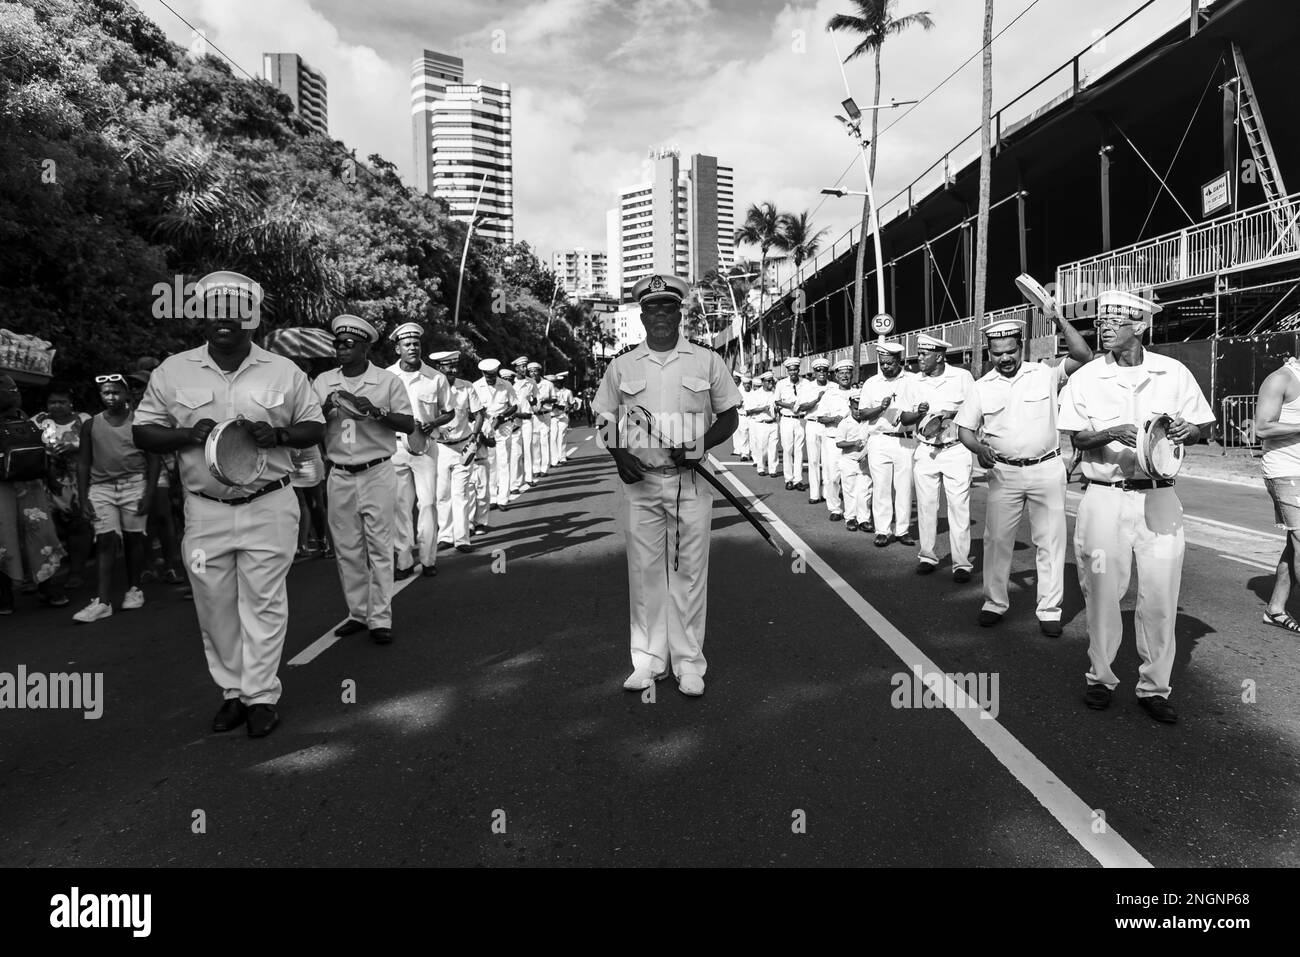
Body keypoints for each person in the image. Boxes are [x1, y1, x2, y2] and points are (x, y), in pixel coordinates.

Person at [133, 270, 326, 737]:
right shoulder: (172, 370)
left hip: (268, 505)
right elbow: (143, 430)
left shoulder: (284, 371)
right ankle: (232, 691)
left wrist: (277, 433)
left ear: (252, 317)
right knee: (214, 605)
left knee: (263, 602)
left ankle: (259, 695)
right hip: (204, 509)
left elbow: (315, 426)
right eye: (213, 308)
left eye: (236, 309)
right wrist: (185, 434)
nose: (225, 319)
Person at [1057, 289, 1215, 723]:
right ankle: (1101, 678)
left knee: (1161, 596)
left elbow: (1202, 426)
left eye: (1115, 321)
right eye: (1102, 322)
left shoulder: (1173, 371)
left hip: (1160, 497)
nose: (1104, 328)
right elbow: (1077, 437)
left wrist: (1189, 430)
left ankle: (1154, 687)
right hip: (1105, 498)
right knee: (1103, 592)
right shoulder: (1087, 377)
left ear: (1140, 326)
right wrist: (1110, 431)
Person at [593, 274, 740, 698]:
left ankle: (690, 664)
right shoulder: (622, 365)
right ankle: (648, 662)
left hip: (690, 483)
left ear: (679, 313)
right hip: (641, 485)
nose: (660, 314)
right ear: (642, 315)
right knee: (645, 575)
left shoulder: (706, 360)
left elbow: (729, 415)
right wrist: (619, 456)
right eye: (652, 308)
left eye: (667, 307)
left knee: (690, 575)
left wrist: (698, 445)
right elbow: (604, 417)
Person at [956, 311, 1092, 635]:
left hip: (1046, 469)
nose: (1004, 358)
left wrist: (1059, 320)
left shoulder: (1045, 374)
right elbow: (964, 430)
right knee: (997, 540)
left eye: (1010, 351)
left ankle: (1049, 609)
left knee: (1051, 541)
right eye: (997, 353)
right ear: (989, 352)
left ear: (1022, 347)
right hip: (1004, 473)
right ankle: (994, 602)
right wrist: (979, 449)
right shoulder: (981, 387)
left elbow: (1083, 355)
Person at [314, 315, 415, 645]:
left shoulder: (386, 381)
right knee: (347, 549)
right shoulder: (323, 381)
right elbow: (307, 423)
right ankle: (358, 612)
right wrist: (324, 409)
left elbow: (408, 423)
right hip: (340, 473)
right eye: (338, 343)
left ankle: (381, 617)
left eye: (349, 344)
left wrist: (377, 412)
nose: (341, 349)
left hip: (377, 471)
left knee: (380, 547)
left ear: (365, 347)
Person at [72, 373, 161, 623]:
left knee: (134, 539)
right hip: (101, 488)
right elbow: (83, 463)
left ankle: (134, 589)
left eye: (115, 392)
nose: (110, 397)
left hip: (134, 485)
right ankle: (102, 601)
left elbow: (154, 459)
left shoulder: (139, 422)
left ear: (127, 395)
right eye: (105, 393)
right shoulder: (91, 424)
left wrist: (150, 491)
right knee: (105, 540)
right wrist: (83, 497)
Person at [900, 333, 976, 581]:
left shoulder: (962, 377)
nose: (919, 358)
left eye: (924, 354)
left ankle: (961, 563)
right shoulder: (913, 382)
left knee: (958, 507)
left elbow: (977, 409)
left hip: (955, 448)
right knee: (926, 505)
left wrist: (951, 413)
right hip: (925, 450)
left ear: (940, 356)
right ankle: (927, 555)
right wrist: (917, 413)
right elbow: (903, 418)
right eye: (919, 353)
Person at [386, 323, 452, 580]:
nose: (413, 348)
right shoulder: (387, 376)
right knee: (400, 507)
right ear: (397, 348)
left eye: (416, 344)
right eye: (407, 344)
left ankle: (428, 559)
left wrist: (434, 423)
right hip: (395, 448)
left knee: (427, 504)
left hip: (425, 448)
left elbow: (449, 411)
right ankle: (403, 561)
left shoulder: (436, 377)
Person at [0, 373, 68, 614]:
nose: (14, 393)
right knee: (3, 541)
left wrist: (53, 481)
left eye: (14, 389)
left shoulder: (27, 421)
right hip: (3, 490)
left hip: (31, 487)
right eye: (8, 389)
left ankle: (46, 587)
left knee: (41, 536)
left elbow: (42, 453)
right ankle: (5, 594)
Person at [1256, 355, 1300, 632]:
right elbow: (1262, 427)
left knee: (1294, 542)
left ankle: (1275, 608)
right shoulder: (1282, 378)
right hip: (1286, 470)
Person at [32, 385, 92, 588]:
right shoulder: (39, 421)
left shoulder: (84, 420)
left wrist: (73, 446)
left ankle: (76, 572)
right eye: (52, 402)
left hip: (79, 484)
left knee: (80, 527)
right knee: (47, 531)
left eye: (62, 402)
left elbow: (97, 443)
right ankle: (44, 578)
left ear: (71, 403)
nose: (56, 406)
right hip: (47, 484)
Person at [859, 341, 916, 547]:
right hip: (879, 439)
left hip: (905, 440)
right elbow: (862, 413)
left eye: (889, 363)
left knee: (904, 488)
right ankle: (883, 530)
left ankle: (902, 529)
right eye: (882, 363)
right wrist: (879, 409)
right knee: (881, 487)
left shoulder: (912, 380)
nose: (885, 367)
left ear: (899, 361)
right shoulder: (871, 383)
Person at [430, 350, 484, 552]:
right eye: (447, 366)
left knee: (460, 493)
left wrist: (475, 435)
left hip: (463, 446)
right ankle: (445, 535)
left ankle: (462, 539)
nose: (452, 370)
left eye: (454, 366)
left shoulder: (466, 387)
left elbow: (479, 413)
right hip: (440, 447)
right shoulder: (432, 388)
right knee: (442, 494)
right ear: (439, 368)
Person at [473, 359, 517, 517]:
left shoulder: (506, 385)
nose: (490, 378)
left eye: (492, 375)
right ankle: (491, 496)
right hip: (485, 427)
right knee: (489, 463)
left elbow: (514, 406)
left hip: (503, 427)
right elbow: (473, 408)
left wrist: (502, 416)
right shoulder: (476, 386)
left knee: (503, 462)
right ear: (482, 374)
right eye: (487, 375)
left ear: (497, 372)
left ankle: (503, 499)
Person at [811, 358, 855, 522]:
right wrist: (833, 420)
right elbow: (820, 418)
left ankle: (853, 511)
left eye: (848, 372)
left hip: (853, 442)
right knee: (832, 477)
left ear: (852, 374)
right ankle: (835, 508)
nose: (845, 376)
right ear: (836, 376)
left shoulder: (858, 393)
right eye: (841, 373)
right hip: (833, 440)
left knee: (852, 477)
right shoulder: (830, 394)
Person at [774, 357, 818, 491]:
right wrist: (789, 405)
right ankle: (788, 478)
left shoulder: (806, 383)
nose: (793, 372)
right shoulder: (781, 384)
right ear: (787, 371)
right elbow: (777, 401)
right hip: (787, 418)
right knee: (787, 449)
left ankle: (798, 479)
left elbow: (810, 399)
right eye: (790, 370)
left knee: (799, 450)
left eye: (795, 369)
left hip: (801, 419)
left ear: (798, 370)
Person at [832, 387, 872, 531]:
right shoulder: (845, 423)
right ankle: (850, 518)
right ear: (850, 407)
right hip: (848, 460)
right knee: (850, 491)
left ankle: (864, 519)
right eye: (855, 408)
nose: (858, 412)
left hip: (864, 461)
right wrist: (853, 443)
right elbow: (839, 443)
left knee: (865, 492)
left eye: (861, 408)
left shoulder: (868, 422)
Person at [802, 357, 836, 505]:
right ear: (814, 372)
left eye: (824, 370)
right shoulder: (807, 387)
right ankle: (815, 494)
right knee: (814, 460)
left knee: (829, 462)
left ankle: (829, 494)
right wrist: (816, 399)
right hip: (812, 424)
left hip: (829, 425)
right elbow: (801, 407)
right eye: (818, 370)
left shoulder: (834, 387)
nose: (821, 373)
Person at [511, 356, 539, 488]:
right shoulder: (510, 383)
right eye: (521, 367)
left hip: (527, 419)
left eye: (525, 366)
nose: (524, 369)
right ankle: (516, 482)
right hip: (514, 420)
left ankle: (529, 477)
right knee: (516, 452)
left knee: (528, 448)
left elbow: (535, 401)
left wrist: (533, 403)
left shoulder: (530, 382)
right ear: (516, 368)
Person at [746, 371, 779, 475]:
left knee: (773, 447)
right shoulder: (756, 394)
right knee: (761, 447)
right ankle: (761, 467)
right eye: (768, 381)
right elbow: (749, 411)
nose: (771, 383)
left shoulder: (775, 393)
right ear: (763, 382)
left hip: (773, 423)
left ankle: (773, 469)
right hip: (761, 424)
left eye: (772, 381)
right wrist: (762, 409)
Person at [528, 362, 557, 477]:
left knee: (544, 442)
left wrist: (545, 401)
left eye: (535, 371)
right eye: (531, 371)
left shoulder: (548, 384)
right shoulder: (528, 384)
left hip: (545, 415)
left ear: (540, 371)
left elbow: (554, 399)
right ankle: (536, 469)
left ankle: (544, 468)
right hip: (533, 417)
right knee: (534, 443)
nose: (533, 373)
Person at [500, 367, 525, 495]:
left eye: (509, 379)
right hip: (501, 432)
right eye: (504, 379)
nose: (507, 382)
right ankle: (501, 486)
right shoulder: (497, 393)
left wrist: (514, 415)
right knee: (502, 460)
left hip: (515, 430)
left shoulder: (515, 394)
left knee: (516, 456)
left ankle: (514, 484)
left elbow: (521, 412)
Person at [550, 372, 573, 465]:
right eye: (556, 382)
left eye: (560, 382)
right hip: (552, 417)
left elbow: (571, 403)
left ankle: (562, 457)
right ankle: (554, 459)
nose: (558, 383)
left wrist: (569, 408)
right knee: (553, 438)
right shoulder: (552, 391)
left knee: (562, 436)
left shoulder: (568, 392)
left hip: (563, 416)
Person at [731, 372, 751, 460]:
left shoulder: (744, 390)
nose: (734, 380)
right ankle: (738, 449)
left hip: (745, 414)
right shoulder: (736, 389)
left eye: (736, 379)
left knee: (744, 434)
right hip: (737, 413)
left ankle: (745, 453)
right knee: (736, 432)